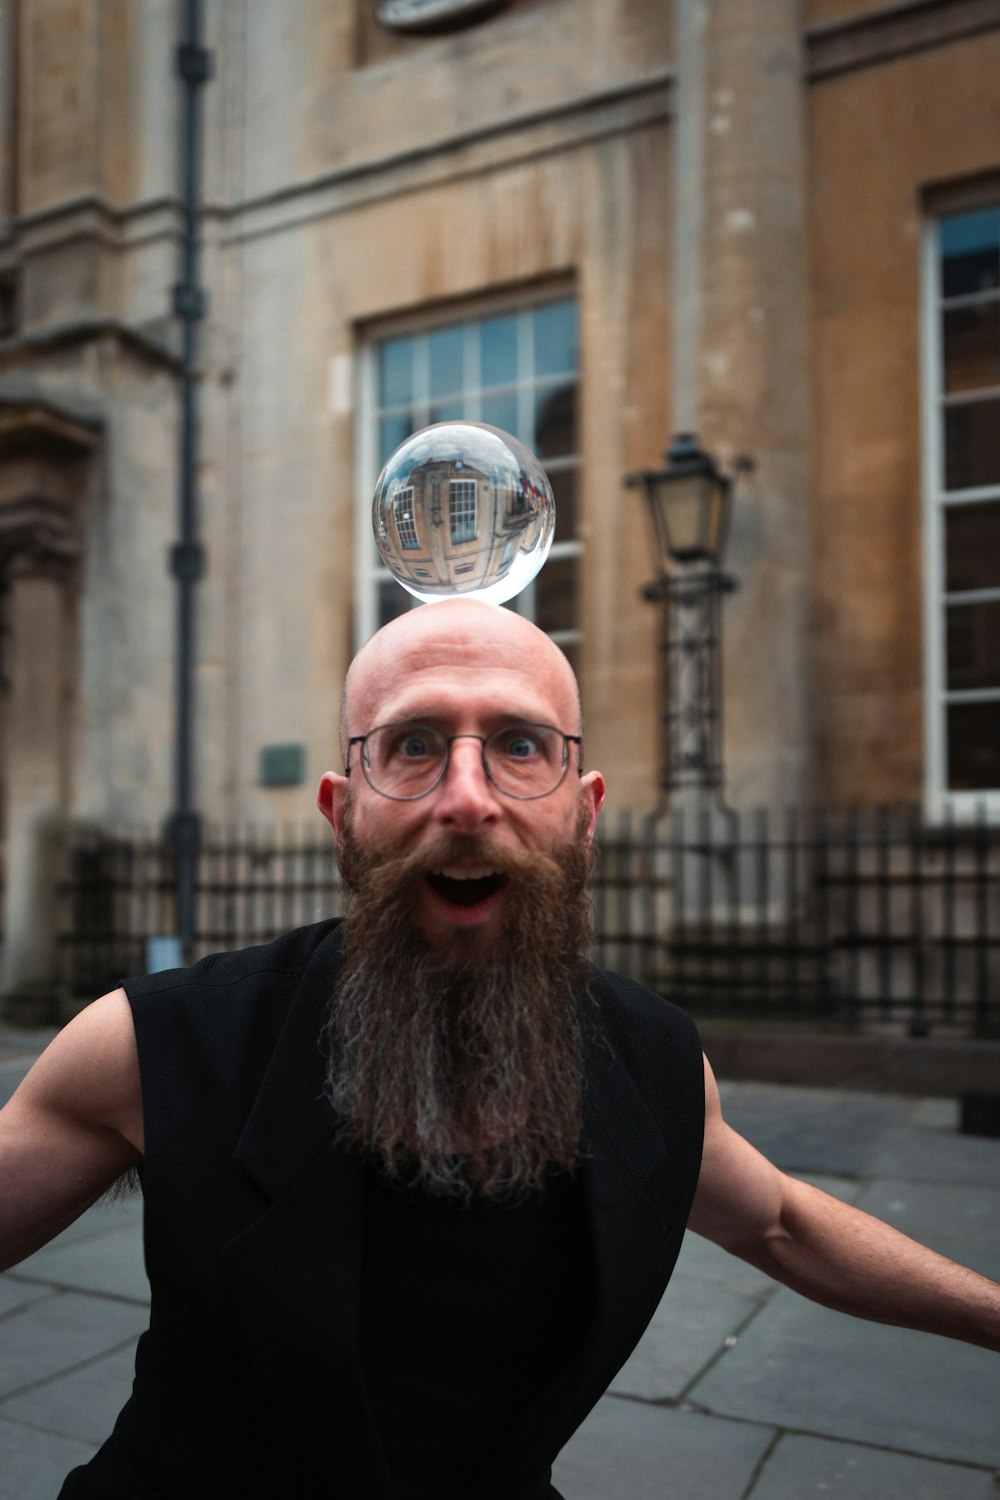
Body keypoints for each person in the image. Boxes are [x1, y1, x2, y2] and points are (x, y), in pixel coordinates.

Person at [1, 598, 997, 1499]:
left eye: (520, 745)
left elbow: (778, 1222)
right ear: (342, 814)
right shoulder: (155, 1044)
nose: (467, 798)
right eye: (414, 745)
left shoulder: (653, 1062)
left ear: (585, 813)